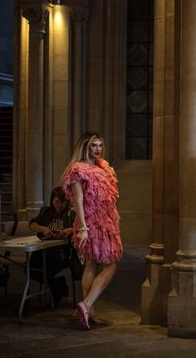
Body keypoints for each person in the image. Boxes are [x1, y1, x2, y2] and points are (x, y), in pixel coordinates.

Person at [61, 131, 123, 330]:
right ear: (85, 147)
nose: (97, 149)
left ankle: (89, 312)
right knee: (111, 264)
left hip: (106, 220)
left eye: (99, 145)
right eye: (93, 145)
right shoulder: (78, 169)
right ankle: (86, 305)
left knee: (91, 264)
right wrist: (84, 228)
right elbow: (78, 200)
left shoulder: (104, 168)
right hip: (90, 222)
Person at [28, 186, 76, 308]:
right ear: (52, 201)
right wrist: (42, 229)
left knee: (47, 269)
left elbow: (82, 229)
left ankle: (56, 291)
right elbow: (32, 224)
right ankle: (59, 285)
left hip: (62, 252)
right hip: (43, 250)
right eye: (56, 202)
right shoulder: (46, 212)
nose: (59, 205)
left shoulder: (71, 214)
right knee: (29, 269)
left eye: (63, 202)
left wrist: (70, 230)